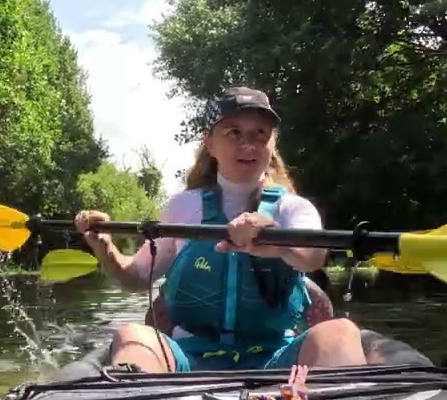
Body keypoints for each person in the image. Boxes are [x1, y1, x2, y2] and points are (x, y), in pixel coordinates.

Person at [73, 86, 367, 373]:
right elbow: (135, 277)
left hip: (277, 356)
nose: (248, 144)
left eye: (259, 134)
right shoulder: (182, 207)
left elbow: (312, 256)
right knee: (131, 334)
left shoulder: (293, 209)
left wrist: (274, 239)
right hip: (189, 355)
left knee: (340, 332)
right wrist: (105, 246)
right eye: (234, 132)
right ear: (210, 143)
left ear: (272, 144)